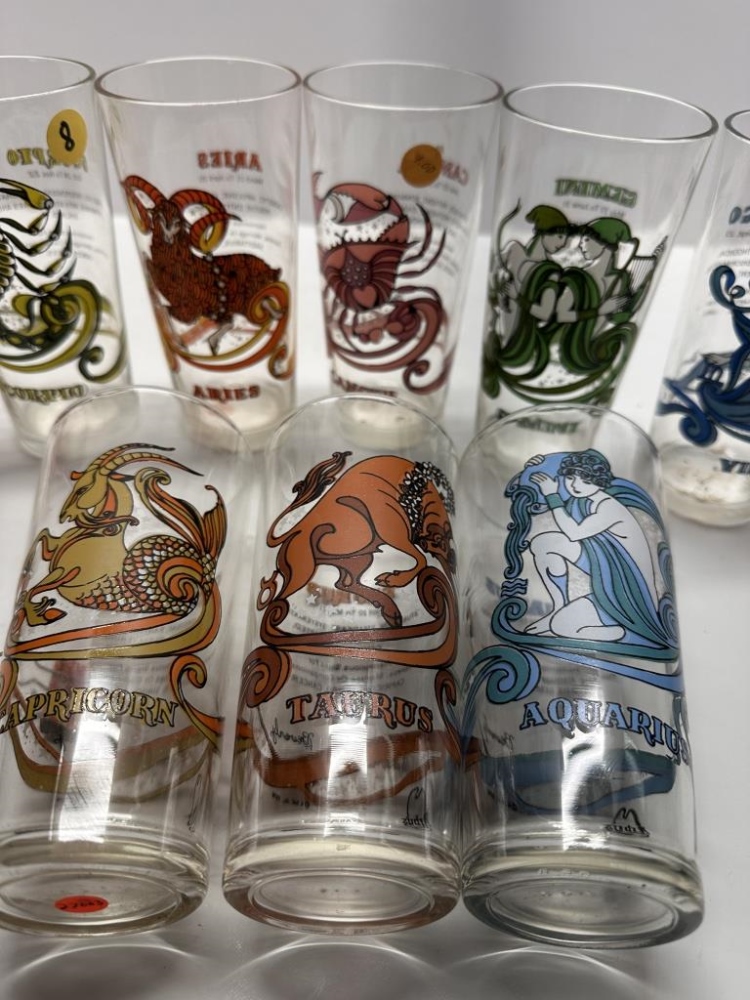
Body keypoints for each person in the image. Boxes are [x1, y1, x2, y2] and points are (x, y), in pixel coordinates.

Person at [525, 449, 659, 641]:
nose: (575, 486)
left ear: (600, 482)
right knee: (543, 543)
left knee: (562, 626)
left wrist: (552, 495)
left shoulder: (609, 507)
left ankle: (624, 632)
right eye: (570, 478)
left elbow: (573, 532)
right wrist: (534, 469)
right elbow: (545, 507)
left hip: (628, 593)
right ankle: (557, 609)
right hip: (605, 572)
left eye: (586, 481)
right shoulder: (583, 501)